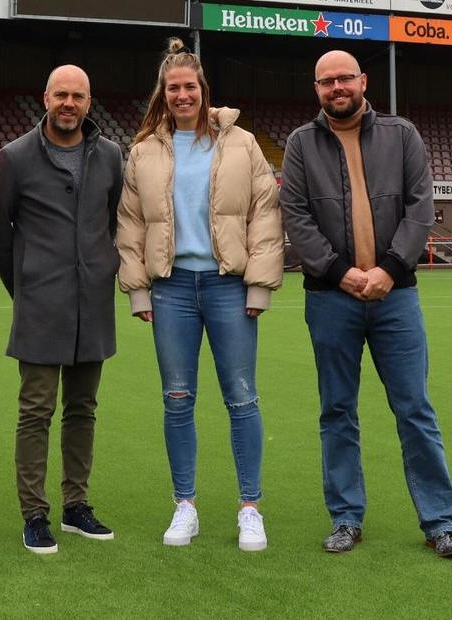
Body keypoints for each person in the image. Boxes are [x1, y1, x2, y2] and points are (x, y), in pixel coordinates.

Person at [280, 50, 452, 557]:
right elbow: (296, 217)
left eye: (344, 78)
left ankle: (439, 523)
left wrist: (388, 270)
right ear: (315, 88)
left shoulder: (402, 134)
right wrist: (342, 274)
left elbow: (420, 208)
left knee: (415, 410)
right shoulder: (299, 144)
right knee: (337, 411)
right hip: (330, 299)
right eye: (326, 81)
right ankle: (345, 517)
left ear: (363, 81)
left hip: (395, 298)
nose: (336, 87)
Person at [116, 38, 283, 550]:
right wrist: (137, 291)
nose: (182, 95)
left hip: (229, 286)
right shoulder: (143, 150)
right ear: (162, 94)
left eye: (190, 86)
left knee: (241, 397)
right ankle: (184, 504)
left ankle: (249, 507)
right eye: (174, 88)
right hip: (171, 292)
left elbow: (264, 214)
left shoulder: (242, 143)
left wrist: (258, 281)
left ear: (203, 88)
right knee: (177, 399)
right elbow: (131, 223)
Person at [0, 64, 122, 555]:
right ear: (45, 97)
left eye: (79, 96)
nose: (70, 103)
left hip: (93, 304)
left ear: (90, 101)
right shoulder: (15, 157)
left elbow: (109, 223)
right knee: (35, 411)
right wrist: (25, 286)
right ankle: (34, 514)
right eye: (61, 94)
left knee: (83, 410)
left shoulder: (111, 155)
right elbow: (0, 238)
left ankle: (75, 507)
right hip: (40, 306)